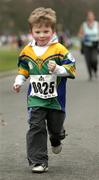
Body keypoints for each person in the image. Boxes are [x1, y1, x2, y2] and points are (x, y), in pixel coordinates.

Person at [13, 7, 76, 173]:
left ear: (53, 30)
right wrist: (19, 81)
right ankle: (38, 161)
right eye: (38, 31)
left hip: (56, 99)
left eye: (46, 31)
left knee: (55, 128)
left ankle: (56, 137)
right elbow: (23, 69)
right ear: (31, 31)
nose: (41, 35)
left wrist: (58, 69)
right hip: (35, 97)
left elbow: (71, 67)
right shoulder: (26, 51)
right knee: (35, 126)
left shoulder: (60, 50)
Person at [78, 10, 99, 80]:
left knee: (94, 59)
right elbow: (79, 34)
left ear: (94, 17)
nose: (90, 17)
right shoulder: (84, 24)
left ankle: (95, 70)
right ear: (87, 17)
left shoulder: (97, 24)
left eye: (91, 16)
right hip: (86, 45)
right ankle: (90, 75)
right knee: (88, 60)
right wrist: (83, 36)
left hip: (95, 45)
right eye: (89, 16)